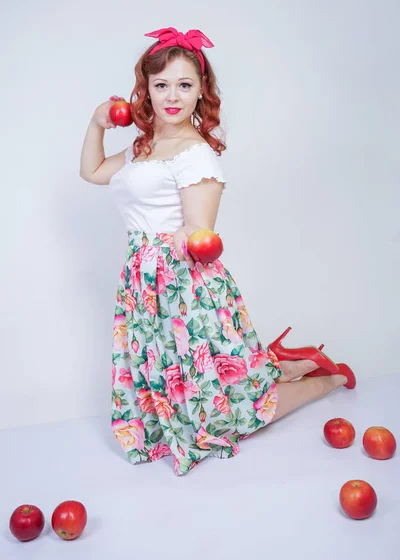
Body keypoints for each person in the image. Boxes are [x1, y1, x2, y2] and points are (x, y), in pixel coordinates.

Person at [79, 27, 356, 476]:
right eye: (161, 85)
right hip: (144, 284)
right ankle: (286, 364)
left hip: (183, 285)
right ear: (145, 90)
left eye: (184, 85)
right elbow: (92, 170)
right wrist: (96, 123)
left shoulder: (196, 154)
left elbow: (201, 233)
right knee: (188, 390)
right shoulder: (142, 147)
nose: (172, 96)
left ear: (200, 91)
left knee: (225, 410)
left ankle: (330, 377)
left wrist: (183, 235)